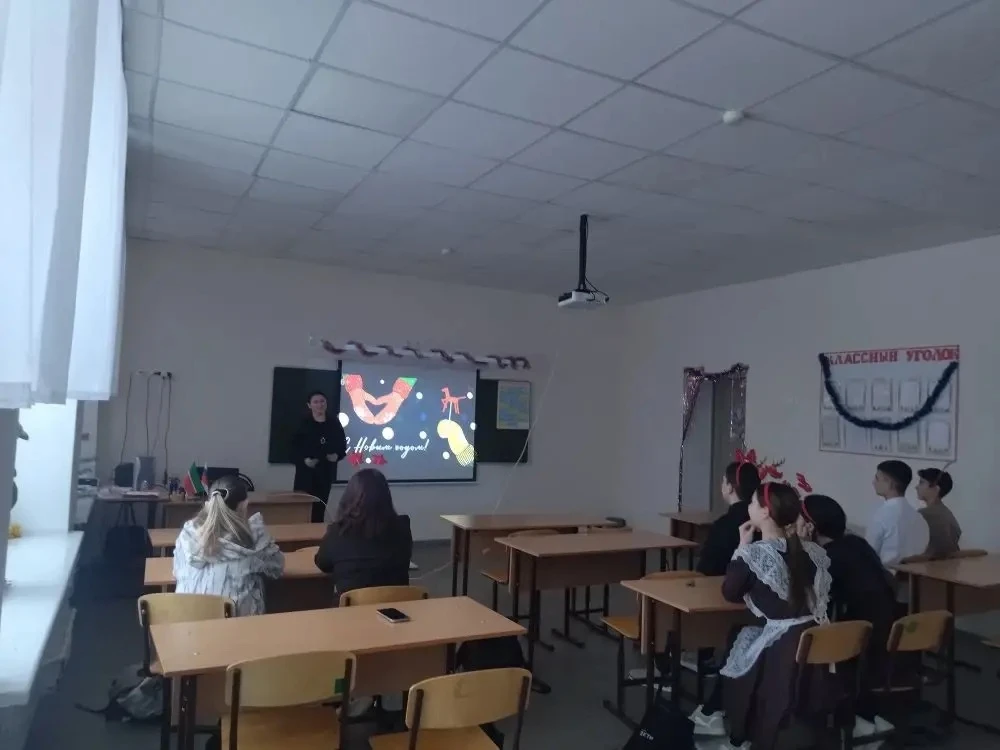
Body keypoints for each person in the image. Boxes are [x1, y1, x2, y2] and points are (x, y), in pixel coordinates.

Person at [703, 482, 833, 750]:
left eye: (753, 502)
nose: (749, 507)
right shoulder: (813, 551)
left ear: (764, 512)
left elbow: (730, 592)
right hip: (817, 638)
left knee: (738, 645)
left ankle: (736, 733)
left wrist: (741, 546)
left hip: (783, 647)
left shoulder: (754, 554)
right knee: (743, 636)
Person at [798, 494, 896, 725]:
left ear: (811, 526)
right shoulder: (857, 544)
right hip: (883, 636)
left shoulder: (827, 558)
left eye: (799, 520)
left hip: (857, 644)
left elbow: (807, 596)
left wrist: (802, 548)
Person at [173, 475, 285, 616]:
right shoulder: (255, 538)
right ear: (244, 505)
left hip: (186, 621)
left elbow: (176, 572)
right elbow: (277, 568)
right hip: (238, 625)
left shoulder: (187, 535)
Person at [314, 468, 412, 596]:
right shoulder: (403, 527)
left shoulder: (338, 531)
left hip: (353, 608)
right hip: (398, 605)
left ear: (349, 497)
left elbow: (322, 564)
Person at [697, 460, 762, 576]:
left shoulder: (722, 526)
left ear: (730, 488)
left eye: (724, 481)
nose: (722, 485)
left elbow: (705, 570)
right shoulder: (764, 522)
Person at [291, 390, 348, 522]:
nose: (319, 405)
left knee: (319, 510)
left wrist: (337, 456)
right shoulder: (303, 424)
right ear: (309, 405)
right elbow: (292, 449)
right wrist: (304, 460)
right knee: (301, 510)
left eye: (322, 401)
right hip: (305, 475)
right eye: (316, 402)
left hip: (325, 473)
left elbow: (342, 447)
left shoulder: (334, 423)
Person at [866, 460, 929, 566]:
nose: (873, 482)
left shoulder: (882, 515)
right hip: (914, 574)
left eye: (877, 478)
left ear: (890, 483)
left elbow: (868, 553)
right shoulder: (919, 518)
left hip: (886, 573)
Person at [916, 468, 961, 559]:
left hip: (928, 565)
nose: (916, 487)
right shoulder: (948, 513)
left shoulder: (922, 515)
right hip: (951, 565)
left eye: (921, 482)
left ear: (936, 489)